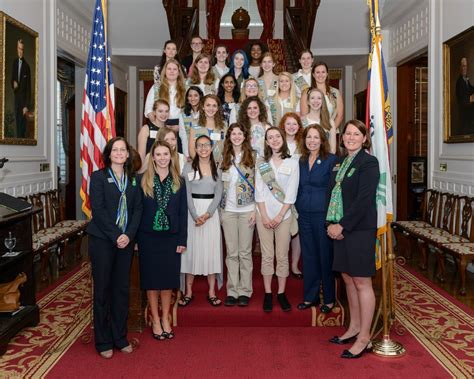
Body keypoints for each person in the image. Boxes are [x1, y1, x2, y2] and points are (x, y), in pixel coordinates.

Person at [326, 120, 379, 359]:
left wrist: (342, 225)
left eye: (356, 134)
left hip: (358, 230)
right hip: (339, 229)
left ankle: (365, 337)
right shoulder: (339, 161)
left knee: (361, 282)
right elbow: (331, 194)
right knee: (347, 279)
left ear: (364, 138)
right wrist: (330, 224)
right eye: (347, 133)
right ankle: (354, 327)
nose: (350, 137)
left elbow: (364, 200)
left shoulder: (369, 162)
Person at [86, 137, 143, 358]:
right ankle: (103, 341)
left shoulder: (134, 179)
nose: (119, 153)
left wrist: (128, 235)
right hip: (102, 240)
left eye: (123, 150)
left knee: (121, 289)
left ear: (128, 154)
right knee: (103, 290)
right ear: (109, 154)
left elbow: (138, 209)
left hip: (125, 242)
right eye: (115, 150)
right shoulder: (98, 177)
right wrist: (116, 235)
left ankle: (120, 337)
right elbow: (97, 211)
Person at [137, 141, 187, 340]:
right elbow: (138, 212)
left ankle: (166, 318)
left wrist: (182, 239)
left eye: (166, 154)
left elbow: (183, 213)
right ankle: (155, 319)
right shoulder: (142, 180)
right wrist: (135, 239)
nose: (163, 157)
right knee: (151, 280)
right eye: (158, 154)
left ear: (171, 156)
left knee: (167, 280)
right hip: (148, 237)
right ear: (153, 157)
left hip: (171, 237)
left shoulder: (180, 182)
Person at [255, 127, 299, 312]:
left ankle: (281, 293)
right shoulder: (262, 163)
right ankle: (267, 293)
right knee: (267, 256)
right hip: (263, 214)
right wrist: (264, 216)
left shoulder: (293, 162)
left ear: (283, 139)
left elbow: (291, 192)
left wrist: (280, 216)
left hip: (284, 215)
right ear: (266, 142)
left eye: (277, 136)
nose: (274, 140)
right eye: (270, 137)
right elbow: (259, 191)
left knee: (281, 256)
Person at [295, 124, 337, 311]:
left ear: (322, 140)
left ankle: (328, 299)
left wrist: (333, 218)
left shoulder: (331, 160)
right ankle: (310, 296)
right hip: (303, 214)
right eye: (309, 137)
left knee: (325, 256)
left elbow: (335, 191)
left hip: (323, 215)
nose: (312, 141)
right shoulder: (301, 161)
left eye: (316, 137)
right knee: (309, 255)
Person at [181, 135, 224, 307]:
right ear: (196, 149)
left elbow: (219, 194)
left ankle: (212, 291)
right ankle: (188, 292)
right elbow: (186, 193)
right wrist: (194, 215)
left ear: (211, 147)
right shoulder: (188, 167)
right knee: (191, 250)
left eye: (207, 145)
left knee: (211, 250)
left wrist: (207, 214)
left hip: (210, 215)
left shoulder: (218, 168)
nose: (203, 148)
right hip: (192, 213)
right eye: (200, 145)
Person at [220, 123, 256, 307]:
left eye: (239, 133)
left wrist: (256, 209)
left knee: (245, 252)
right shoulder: (223, 156)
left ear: (245, 136)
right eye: (233, 133)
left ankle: (245, 290)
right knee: (231, 253)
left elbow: (261, 185)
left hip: (247, 210)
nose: (236, 136)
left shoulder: (254, 156)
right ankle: (232, 290)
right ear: (229, 136)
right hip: (228, 210)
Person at [279, 113, 304, 279]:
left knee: (297, 230)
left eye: (294, 124)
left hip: (300, 190)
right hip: (280, 192)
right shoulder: (278, 143)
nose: (291, 127)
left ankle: (294, 265)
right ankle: (281, 264)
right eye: (288, 124)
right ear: (283, 125)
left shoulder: (303, 144)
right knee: (282, 230)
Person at [137, 99, 188, 169]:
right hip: (149, 169)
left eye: (166, 111)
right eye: (160, 111)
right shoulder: (146, 129)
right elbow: (141, 155)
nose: (164, 114)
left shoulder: (169, 130)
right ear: (154, 112)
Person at [301, 61, 344, 131]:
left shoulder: (335, 92)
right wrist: (312, 133)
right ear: (313, 75)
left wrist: (330, 132)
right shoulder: (306, 93)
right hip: (311, 134)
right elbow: (304, 116)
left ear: (327, 74)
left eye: (323, 72)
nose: (320, 75)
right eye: (317, 72)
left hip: (330, 133)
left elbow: (340, 116)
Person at [188, 94, 226, 163]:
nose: (211, 108)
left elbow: (226, 148)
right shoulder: (194, 125)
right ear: (203, 107)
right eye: (208, 105)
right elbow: (191, 150)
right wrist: (202, 164)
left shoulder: (224, 125)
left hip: (219, 165)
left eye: (214, 106)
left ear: (217, 108)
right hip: (200, 165)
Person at [302, 88, 337, 153]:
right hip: (305, 159)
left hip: (324, 160)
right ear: (308, 102)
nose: (316, 101)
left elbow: (332, 149)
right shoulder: (301, 121)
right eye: (312, 98)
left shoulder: (330, 122)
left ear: (322, 101)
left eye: (319, 98)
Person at [11, 38, 31, 138]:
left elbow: (29, 88)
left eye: (22, 49)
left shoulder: (27, 67)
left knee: (22, 129)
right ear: (17, 48)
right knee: (17, 125)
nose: (20, 51)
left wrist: (26, 106)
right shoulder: (14, 63)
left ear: (24, 50)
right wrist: (13, 83)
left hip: (23, 104)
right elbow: (12, 79)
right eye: (19, 48)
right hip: (16, 101)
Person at [455, 57, 474, 134]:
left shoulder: (466, 79)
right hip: (464, 115)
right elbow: (461, 100)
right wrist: (471, 98)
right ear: (460, 67)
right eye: (463, 66)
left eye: (465, 66)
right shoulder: (459, 82)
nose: (464, 68)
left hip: (470, 113)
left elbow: (470, 89)